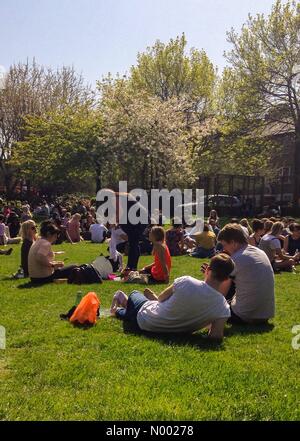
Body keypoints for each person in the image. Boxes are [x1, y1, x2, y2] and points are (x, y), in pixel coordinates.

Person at [114, 253, 234, 340]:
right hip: (172, 330)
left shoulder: (186, 281)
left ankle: (120, 306)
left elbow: (161, 298)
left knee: (135, 293)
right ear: (226, 278)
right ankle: (119, 311)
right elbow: (216, 336)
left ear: (207, 270)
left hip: (147, 320)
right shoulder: (223, 307)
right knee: (132, 311)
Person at [218, 224, 275, 324]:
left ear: (233, 242)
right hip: (265, 314)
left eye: (224, 245)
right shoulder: (260, 252)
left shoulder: (237, 258)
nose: (224, 249)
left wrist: (212, 276)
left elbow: (220, 294)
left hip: (243, 315)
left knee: (224, 286)